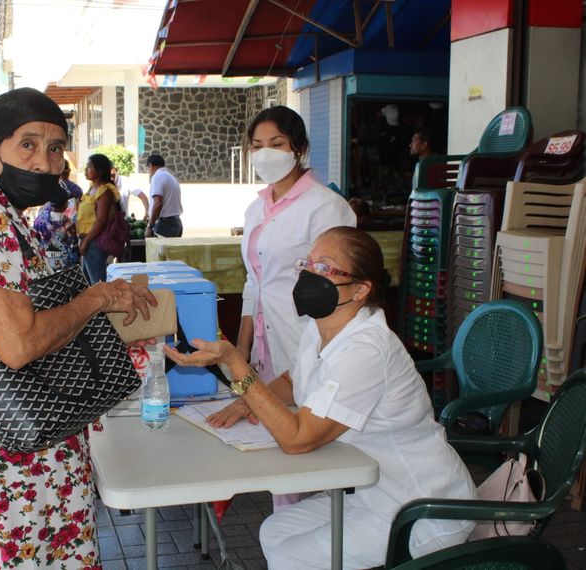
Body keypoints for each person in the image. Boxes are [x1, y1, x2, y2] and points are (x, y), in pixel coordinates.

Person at [0, 87, 157, 569]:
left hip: (28, 436)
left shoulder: (5, 214)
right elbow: (18, 344)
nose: (43, 160)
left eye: (54, 148)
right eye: (26, 144)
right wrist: (96, 298)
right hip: (7, 449)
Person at [165, 226, 476, 569]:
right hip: (367, 490)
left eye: (325, 268)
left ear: (360, 289)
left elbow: (298, 439)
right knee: (275, 531)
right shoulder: (320, 326)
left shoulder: (367, 348)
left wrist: (236, 364)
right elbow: (291, 380)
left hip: (420, 508)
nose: (311, 275)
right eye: (309, 264)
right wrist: (246, 401)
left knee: (290, 556)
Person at [238, 106, 355, 460]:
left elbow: (342, 287)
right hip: (265, 345)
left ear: (299, 148)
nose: (265, 153)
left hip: (305, 340)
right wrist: (241, 352)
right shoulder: (255, 209)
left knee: (310, 446)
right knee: (276, 448)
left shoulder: (326, 207)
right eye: (257, 146)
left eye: (277, 142)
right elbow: (253, 282)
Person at [76, 153, 121, 284]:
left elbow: (101, 221)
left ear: (99, 171)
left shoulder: (104, 191)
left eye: (89, 167)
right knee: (88, 281)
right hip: (88, 240)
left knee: (97, 283)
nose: (86, 169)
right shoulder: (92, 189)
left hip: (94, 242)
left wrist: (86, 242)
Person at [144, 154, 183, 237]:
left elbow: (158, 203)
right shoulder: (171, 177)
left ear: (151, 166)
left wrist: (150, 226)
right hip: (177, 223)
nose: (148, 171)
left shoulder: (157, 177)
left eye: (148, 168)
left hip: (165, 225)